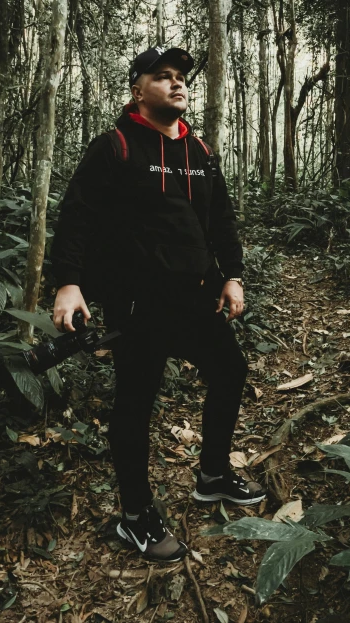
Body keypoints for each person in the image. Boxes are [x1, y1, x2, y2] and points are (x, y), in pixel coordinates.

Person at [50, 46, 265, 563]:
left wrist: (231, 277)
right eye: (162, 77)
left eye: (180, 77)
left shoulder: (201, 153)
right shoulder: (116, 146)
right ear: (136, 89)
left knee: (231, 371)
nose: (176, 84)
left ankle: (212, 474)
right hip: (138, 304)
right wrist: (68, 283)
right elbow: (77, 217)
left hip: (196, 298)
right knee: (136, 404)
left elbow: (222, 222)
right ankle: (135, 517)